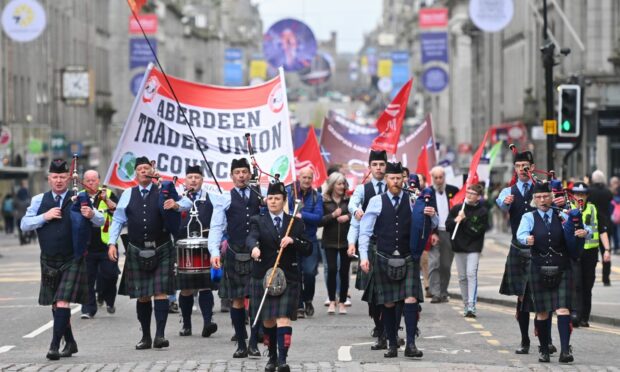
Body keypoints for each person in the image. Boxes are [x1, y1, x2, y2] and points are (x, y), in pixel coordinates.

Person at [21, 159, 104, 360]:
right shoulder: (39, 200)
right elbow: (24, 224)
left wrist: (91, 213)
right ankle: (71, 343)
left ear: (69, 178)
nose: (59, 180)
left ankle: (54, 346)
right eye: (55, 177)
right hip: (49, 259)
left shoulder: (80, 197)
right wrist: (44, 216)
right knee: (55, 305)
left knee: (62, 302)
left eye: (62, 177)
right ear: (49, 178)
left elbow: (101, 220)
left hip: (72, 258)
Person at [107, 156, 191, 350]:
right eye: (140, 169)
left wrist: (175, 205)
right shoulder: (128, 194)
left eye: (147, 168)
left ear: (152, 171)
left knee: (160, 292)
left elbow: (187, 202)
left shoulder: (164, 189)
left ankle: (160, 336)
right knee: (143, 295)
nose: (144, 171)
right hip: (137, 248)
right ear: (135, 174)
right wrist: (112, 243)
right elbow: (118, 220)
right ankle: (145, 336)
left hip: (161, 247)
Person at [359, 161, 437, 358]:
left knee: (410, 299)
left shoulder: (413, 200)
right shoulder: (376, 201)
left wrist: (432, 215)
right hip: (383, 257)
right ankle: (392, 344)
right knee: (388, 303)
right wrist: (363, 257)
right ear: (386, 179)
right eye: (392, 178)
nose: (396, 181)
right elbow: (365, 231)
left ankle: (410, 344)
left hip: (408, 256)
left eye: (399, 178)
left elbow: (430, 224)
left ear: (404, 179)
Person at [517, 181, 589, 363]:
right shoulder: (529, 217)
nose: (542, 200)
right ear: (534, 199)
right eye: (538, 197)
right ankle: (543, 349)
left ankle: (565, 351)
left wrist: (583, 233)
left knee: (563, 309)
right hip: (538, 268)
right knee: (542, 312)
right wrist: (527, 239)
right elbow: (520, 234)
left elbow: (582, 226)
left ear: (551, 197)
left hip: (561, 267)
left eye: (546, 196)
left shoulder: (561, 215)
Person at [248, 182, 311, 372]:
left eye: (277, 198)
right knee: (268, 320)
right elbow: (251, 237)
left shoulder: (295, 222)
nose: (273, 201)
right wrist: (254, 248)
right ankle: (272, 357)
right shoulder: (257, 220)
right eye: (270, 198)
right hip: (264, 276)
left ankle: (282, 360)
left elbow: (308, 248)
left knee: (283, 318)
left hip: (288, 276)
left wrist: (293, 240)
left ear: (284, 201)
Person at [209, 158, 263, 358]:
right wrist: (215, 252)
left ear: (250, 174)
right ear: (232, 176)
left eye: (244, 172)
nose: (241, 175)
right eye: (237, 172)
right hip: (234, 253)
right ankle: (241, 343)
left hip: (256, 253)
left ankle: (254, 343)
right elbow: (216, 227)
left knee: (256, 299)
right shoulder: (225, 198)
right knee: (237, 300)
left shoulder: (260, 194)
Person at [347, 149, 388, 349]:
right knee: (373, 292)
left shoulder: (394, 187)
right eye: (375, 165)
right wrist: (356, 210)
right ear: (370, 167)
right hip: (371, 244)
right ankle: (380, 329)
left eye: (382, 164)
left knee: (391, 291)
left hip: (390, 245)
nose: (379, 168)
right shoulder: (363, 190)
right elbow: (352, 206)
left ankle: (390, 329)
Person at [175, 165, 219, 338]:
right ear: (185, 180)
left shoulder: (211, 198)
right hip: (183, 248)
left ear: (202, 180)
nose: (193, 180)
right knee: (185, 288)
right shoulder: (178, 199)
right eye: (190, 177)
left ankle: (208, 322)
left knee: (205, 286)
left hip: (204, 246)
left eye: (197, 177)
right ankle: (186, 324)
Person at [569, 182, 610, 327]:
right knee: (576, 285)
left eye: (583, 194)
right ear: (573, 195)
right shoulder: (567, 209)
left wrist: (607, 250)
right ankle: (576, 316)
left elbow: (602, 230)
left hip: (590, 253)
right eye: (577, 194)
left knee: (587, 286)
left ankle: (584, 317)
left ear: (587, 196)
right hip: (574, 252)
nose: (580, 197)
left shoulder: (593, 209)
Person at [80, 170, 120, 319]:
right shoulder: (79, 195)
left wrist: (107, 201)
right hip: (86, 244)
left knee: (110, 275)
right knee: (87, 278)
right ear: (84, 182)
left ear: (99, 181)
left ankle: (108, 299)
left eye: (93, 180)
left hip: (107, 243)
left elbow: (119, 213)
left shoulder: (108, 193)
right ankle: (88, 309)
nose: (91, 183)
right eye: (88, 180)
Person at [446, 183, 489, 317]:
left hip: (473, 247)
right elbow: (448, 226)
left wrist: (464, 220)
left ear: (478, 197)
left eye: (472, 194)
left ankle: (471, 305)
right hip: (459, 247)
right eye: (468, 193)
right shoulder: (458, 208)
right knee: (462, 277)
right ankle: (465, 303)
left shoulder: (482, 211)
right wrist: (455, 220)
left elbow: (477, 231)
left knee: (471, 274)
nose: (469, 195)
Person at [287, 167, 323, 318]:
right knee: (295, 274)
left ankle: (308, 299)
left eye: (309, 178)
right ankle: (299, 305)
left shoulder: (317, 196)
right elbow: (286, 211)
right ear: (298, 178)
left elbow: (318, 217)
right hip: (293, 239)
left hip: (310, 240)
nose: (307, 180)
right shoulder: (290, 192)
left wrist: (302, 215)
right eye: (304, 177)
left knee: (309, 273)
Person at [319, 172, 351, 314]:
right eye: (339, 183)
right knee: (331, 270)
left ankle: (342, 302)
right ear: (332, 185)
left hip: (346, 241)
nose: (341, 186)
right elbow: (319, 221)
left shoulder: (349, 200)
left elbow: (357, 214)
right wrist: (332, 215)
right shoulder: (324, 201)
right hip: (329, 241)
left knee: (344, 272)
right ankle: (332, 300)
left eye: (343, 183)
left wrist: (347, 217)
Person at [428, 166, 459, 303]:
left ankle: (443, 291)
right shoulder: (427, 192)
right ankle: (435, 293)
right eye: (436, 177)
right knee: (434, 263)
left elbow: (460, 209)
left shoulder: (453, 191)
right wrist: (432, 233)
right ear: (432, 178)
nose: (439, 180)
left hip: (449, 232)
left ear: (444, 177)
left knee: (446, 265)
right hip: (434, 233)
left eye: (441, 177)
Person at [587, 170, 613, 286]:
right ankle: (606, 278)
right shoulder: (608, 192)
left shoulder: (590, 191)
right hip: (606, 222)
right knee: (606, 251)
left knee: (591, 249)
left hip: (592, 222)